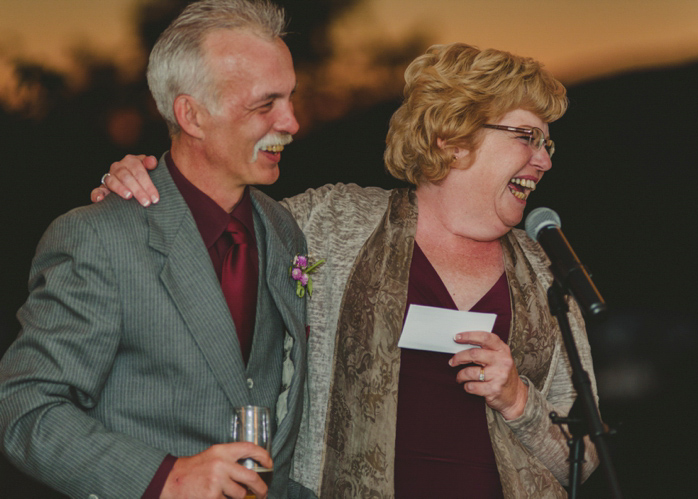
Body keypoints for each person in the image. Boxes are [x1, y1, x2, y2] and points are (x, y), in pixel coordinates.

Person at [96, 42, 599, 498]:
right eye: (527, 138)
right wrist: (144, 187)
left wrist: (518, 400)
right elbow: (209, 231)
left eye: (547, 145)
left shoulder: (548, 269)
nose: (544, 161)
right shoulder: (331, 221)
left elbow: (585, 454)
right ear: (452, 137)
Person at [0, 1, 308, 498]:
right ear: (191, 114)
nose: (291, 121)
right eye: (265, 104)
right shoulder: (98, 237)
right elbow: (24, 406)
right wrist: (166, 477)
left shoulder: (285, 229)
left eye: (291, 97)